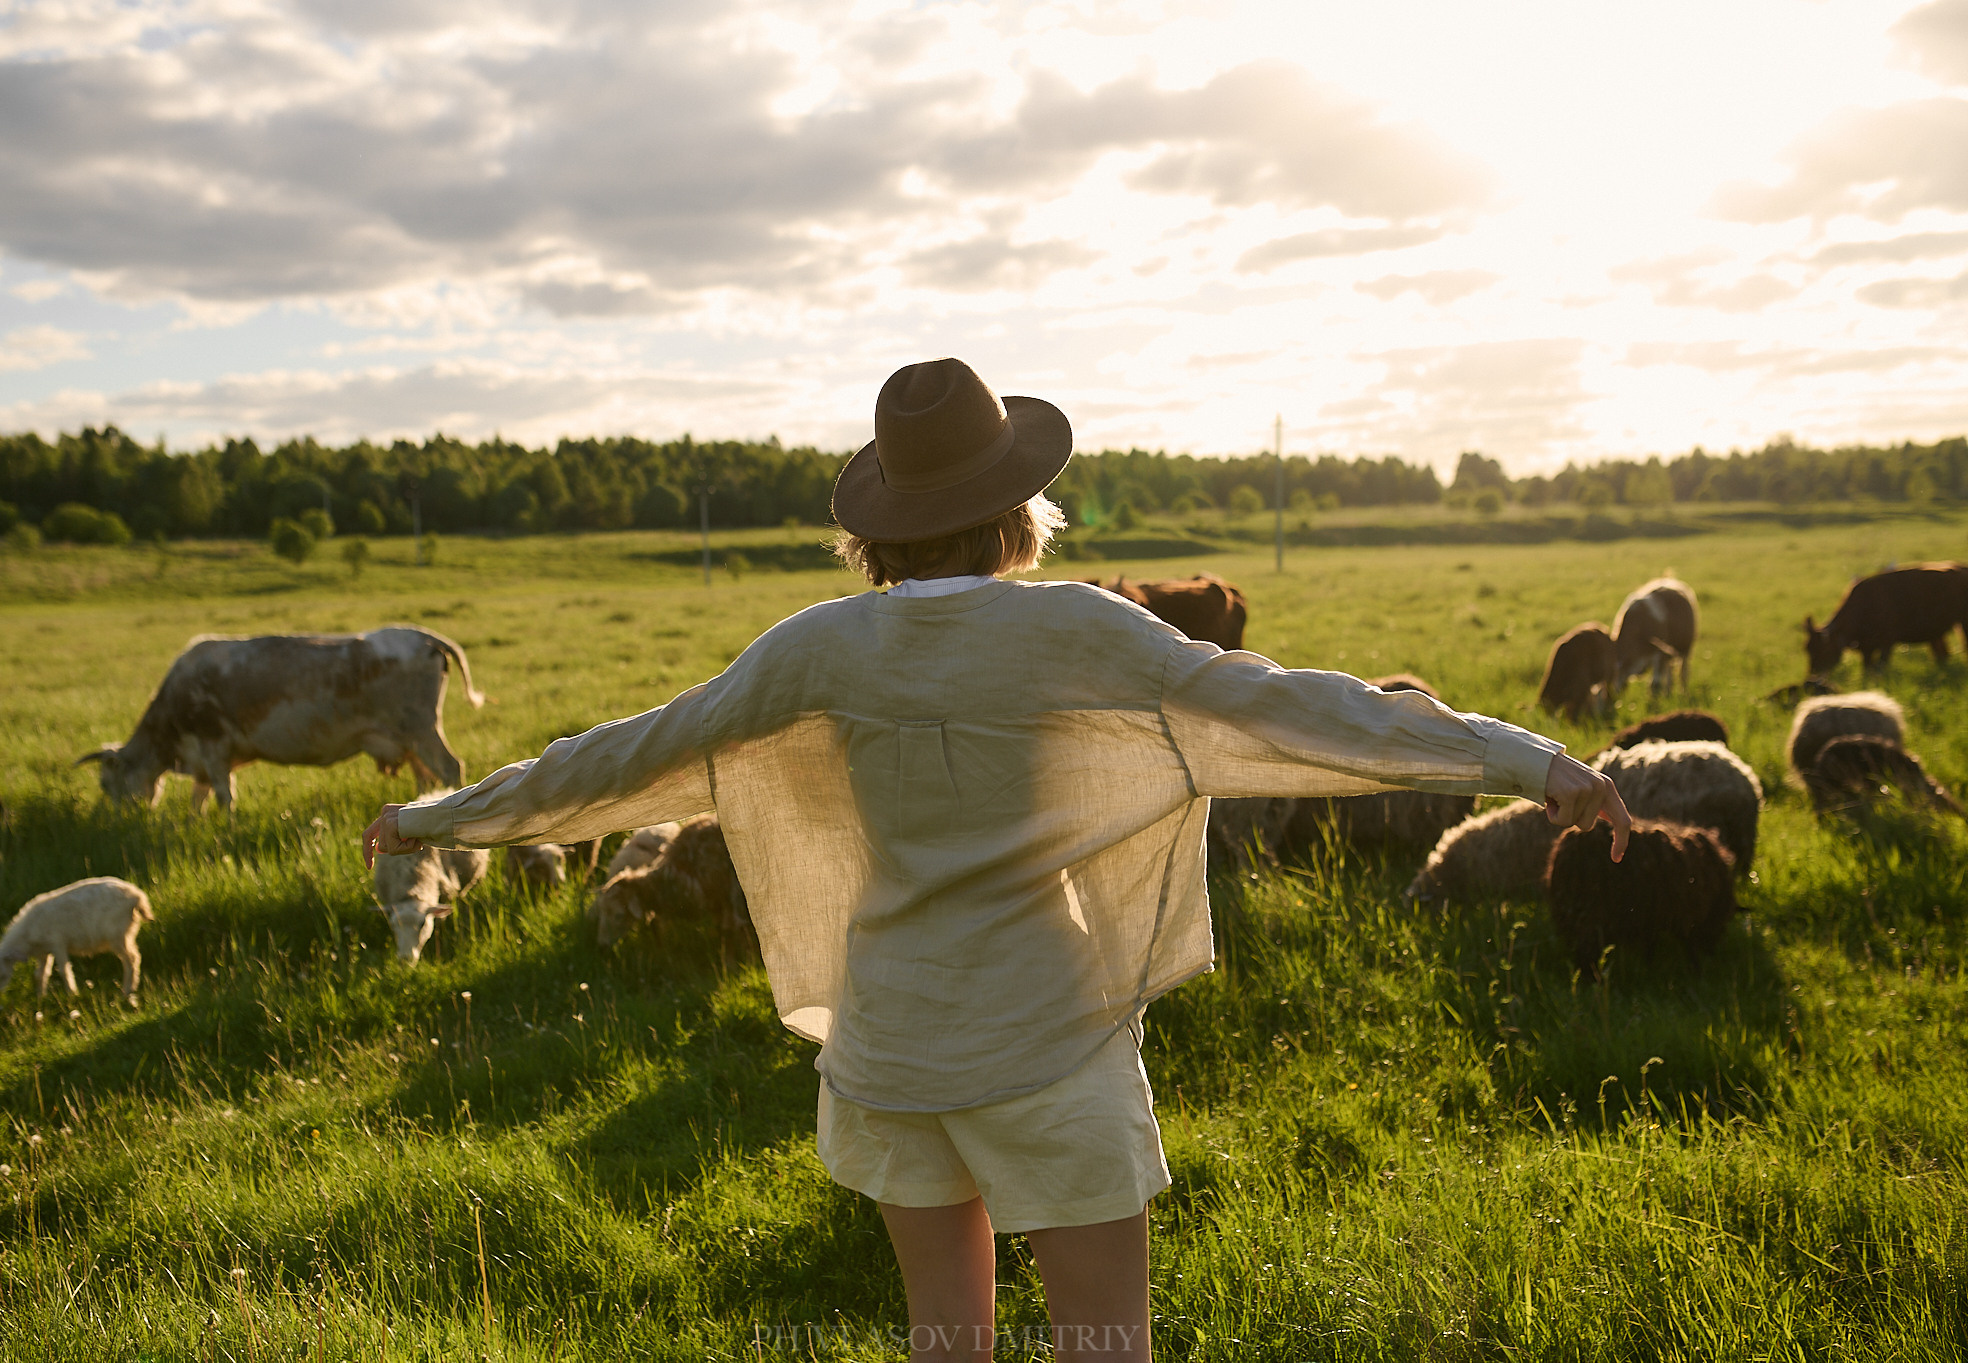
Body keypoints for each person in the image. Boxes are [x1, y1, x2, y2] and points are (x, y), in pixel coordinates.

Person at [361, 358, 1629, 1362]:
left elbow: (622, 756)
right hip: (1048, 1040)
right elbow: (1289, 704)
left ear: (881, 529)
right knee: (1101, 1348)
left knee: (945, 1344)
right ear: (1015, 507)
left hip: (890, 1047)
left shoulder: (815, 646)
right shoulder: (1073, 623)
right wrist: (1529, 762)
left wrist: (439, 818)